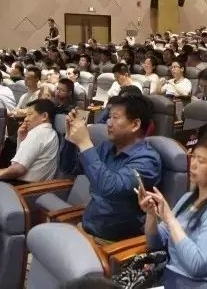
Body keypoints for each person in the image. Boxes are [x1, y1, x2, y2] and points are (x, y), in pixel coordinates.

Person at [140, 135, 207, 288]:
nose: (193, 164)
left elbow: (196, 266)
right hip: (170, 279)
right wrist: (151, 214)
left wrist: (170, 219)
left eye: (201, 161)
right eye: (193, 156)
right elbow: (155, 243)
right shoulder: (188, 198)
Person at [59, 95, 162, 242]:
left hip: (113, 244)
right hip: (86, 229)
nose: (108, 122)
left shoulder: (147, 160)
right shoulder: (107, 147)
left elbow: (109, 188)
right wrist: (70, 139)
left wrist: (84, 143)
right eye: (109, 117)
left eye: (115, 117)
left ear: (135, 124)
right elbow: (69, 168)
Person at [0, 99, 59, 183]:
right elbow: (19, 164)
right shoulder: (50, 133)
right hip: (31, 183)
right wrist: (21, 138)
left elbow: (18, 169)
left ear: (44, 116)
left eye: (30, 115)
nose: (25, 119)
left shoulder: (37, 134)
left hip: (26, 186)